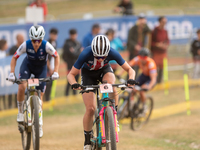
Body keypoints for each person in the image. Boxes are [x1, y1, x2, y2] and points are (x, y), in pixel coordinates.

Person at [67, 35, 136, 150]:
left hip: (104, 71)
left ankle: (114, 116)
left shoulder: (112, 52)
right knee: (90, 109)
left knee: (111, 86)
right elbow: (71, 74)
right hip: (88, 75)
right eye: (97, 56)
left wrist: (131, 79)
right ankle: (88, 140)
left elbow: (130, 70)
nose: (100, 58)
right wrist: (74, 83)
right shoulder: (85, 53)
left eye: (103, 56)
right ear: (92, 51)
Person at [7, 25, 60, 138]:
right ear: (31, 39)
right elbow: (14, 57)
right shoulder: (26, 44)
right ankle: (20, 113)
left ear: (42, 39)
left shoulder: (46, 45)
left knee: (40, 94)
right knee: (21, 87)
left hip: (41, 70)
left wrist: (55, 71)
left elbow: (56, 56)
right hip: (27, 67)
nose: (36, 43)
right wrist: (12, 73)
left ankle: (39, 125)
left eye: (39, 40)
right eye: (34, 40)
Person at [122, 48, 157, 112]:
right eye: (141, 56)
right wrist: (119, 73)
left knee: (141, 90)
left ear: (148, 57)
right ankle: (130, 105)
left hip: (150, 78)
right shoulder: (137, 59)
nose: (143, 59)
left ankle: (144, 106)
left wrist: (149, 86)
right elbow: (128, 65)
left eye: (145, 57)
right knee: (132, 89)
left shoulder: (151, 64)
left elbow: (153, 79)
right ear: (139, 56)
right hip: (143, 75)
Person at [62, 29, 82, 96]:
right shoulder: (67, 44)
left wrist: (76, 53)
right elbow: (67, 54)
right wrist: (77, 53)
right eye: (72, 35)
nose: (74, 36)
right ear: (70, 35)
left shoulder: (78, 43)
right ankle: (66, 94)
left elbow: (80, 53)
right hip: (70, 65)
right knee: (69, 80)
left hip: (77, 64)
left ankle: (74, 94)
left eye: (75, 35)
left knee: (77, 79)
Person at [151, 16, 169, 83]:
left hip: (163, 52)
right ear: (159, 22)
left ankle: (159, 81)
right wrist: (157, 44)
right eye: (163, 22)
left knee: (162, 67)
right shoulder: (155, 31)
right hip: (156, 52)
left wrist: (165, 45)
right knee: (154, 68)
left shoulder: (165, 31)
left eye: (165, 22)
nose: (164, 23)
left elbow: (168, 40)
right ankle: (153, 81)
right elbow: (150, 42)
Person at [45, 28, 58, 101]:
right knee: (47, 83)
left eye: (56, 35)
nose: (55, 36)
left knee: (52, 83)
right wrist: (49, 68)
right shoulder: (47, 44)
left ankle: (49, 98)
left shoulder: (55, 43)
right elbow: (46, 57)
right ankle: (46, 99)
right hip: (47, 66)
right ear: (50, 35)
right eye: (53, 34)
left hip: (52, 66)